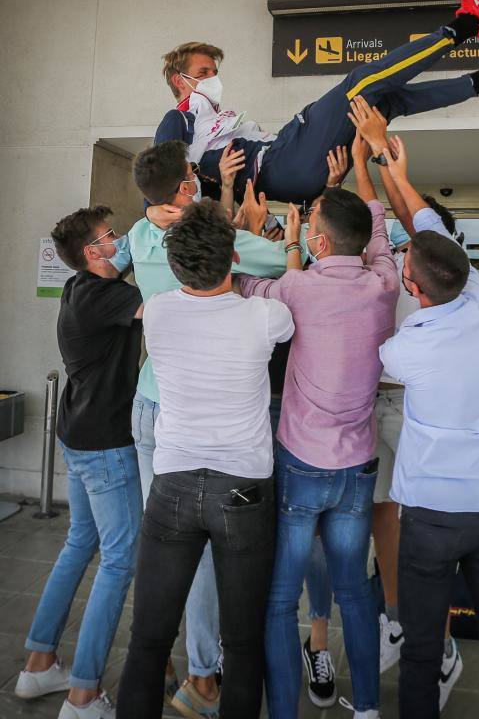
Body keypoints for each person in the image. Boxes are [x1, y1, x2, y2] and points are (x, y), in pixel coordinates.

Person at [122, 139, 308, 718]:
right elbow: (290, 283)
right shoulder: (265, 316)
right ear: (233, 259)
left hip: (173, 486)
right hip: (243, 491)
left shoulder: (159, 311)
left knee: (149, 640)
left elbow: (165, 256)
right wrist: (287, 239)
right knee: (243, 641)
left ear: (174, 265)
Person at [374, 137, 479, 718]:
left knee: (420, 654)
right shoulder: (478, 301)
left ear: (414, 291)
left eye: (404, 272)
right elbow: (426, 229)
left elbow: (379, 348)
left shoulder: (406, 349)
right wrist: (400, 173)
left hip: (431, 523)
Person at [237, 136, 400, 719]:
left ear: (319, 241)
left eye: (310, 225)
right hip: (357, 467)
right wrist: (354, 176)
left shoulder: (299, 288)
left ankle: (283, 710)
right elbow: (377, 234)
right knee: (355, 591)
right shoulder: (384, 284)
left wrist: (243, 229)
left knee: (281, 600)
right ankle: (369, 710)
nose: (305, 229)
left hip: (302, 466)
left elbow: (245, 288)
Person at [156, 0, 479, 203]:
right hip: (281, 164)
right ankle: (469, 23)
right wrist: (194, 197)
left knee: (384, 102)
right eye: (204, 73)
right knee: (360, 86)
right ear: (180, 80)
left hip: (291, 168)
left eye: (213, 72)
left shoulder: (211, 120)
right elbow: (158, 186)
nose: (212, 79)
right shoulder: (180, 117)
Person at [348, 96, 465, 709]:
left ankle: (442, 644)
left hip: (417, 406)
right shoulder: (382, 253)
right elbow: (372, 215)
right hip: (375, 404)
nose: (397, 228)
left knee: (422, 532)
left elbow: (397, 208)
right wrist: (363, 164)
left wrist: (383, 155)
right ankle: (395, 616)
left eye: (407, 225)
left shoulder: (440, 267)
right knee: (380, 515)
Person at [15, 207, 143, 719]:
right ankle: (84, 694)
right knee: (119, 559)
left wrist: (146, 228)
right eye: (110, 235)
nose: (120, 240)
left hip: (78, 433)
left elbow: (128, 259)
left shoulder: (80, 287)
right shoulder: (112, 299)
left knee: (80, 543)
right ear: (92, 252)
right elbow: (173, 299)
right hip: (107, 445)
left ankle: (39, 662)